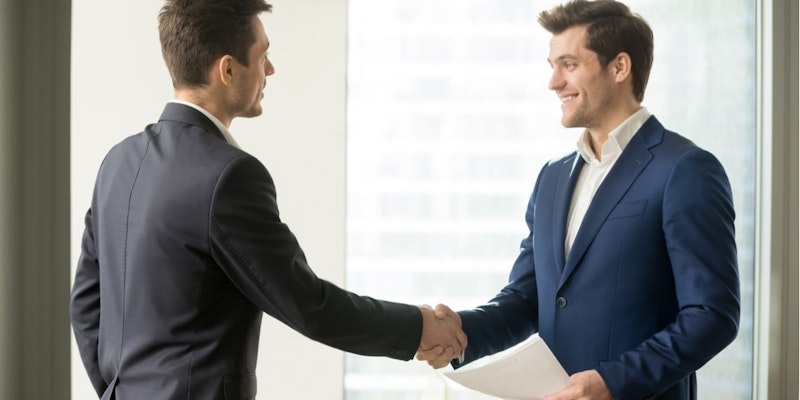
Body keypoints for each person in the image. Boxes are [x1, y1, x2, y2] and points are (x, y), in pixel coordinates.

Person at [69, 1, 465, 399]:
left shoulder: (118, 161)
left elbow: (86, 306)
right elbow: (308, 304)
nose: (270, 69)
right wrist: (418, 326)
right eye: (263, 55)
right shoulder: (228, 176)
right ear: (226, 69)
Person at [418, 1, 740, 399]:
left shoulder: (685, 169)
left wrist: (613, 382)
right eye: (552, 65)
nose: (553, 82)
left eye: (568, 65)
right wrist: (462, 331)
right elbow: (526, 298)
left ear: (619, 67)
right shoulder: (552, 177)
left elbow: (712, 316)